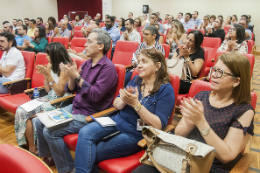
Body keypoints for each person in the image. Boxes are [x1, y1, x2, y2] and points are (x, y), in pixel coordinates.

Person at [133, 52, 254, 173]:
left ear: (236, 81)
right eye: (214, 70)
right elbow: (178, 134)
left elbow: (226, 156)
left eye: (221, 73)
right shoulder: (202, 97)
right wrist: (190, 123)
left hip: (209, 166)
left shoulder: (243, 110)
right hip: (184, 156)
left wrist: (201, 123)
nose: (214, 76)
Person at [75, 48, 176, 173]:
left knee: (91, 151)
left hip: (135, 133)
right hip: (115, 121)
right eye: (138, 61)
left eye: (144, 61)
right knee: (84, 132)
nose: (139, 65)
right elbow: (116, 104)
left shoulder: (165, 90)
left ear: (157, 66)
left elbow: (158, 125)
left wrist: (136, 104)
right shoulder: (137, 80)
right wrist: (124, 99)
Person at [34, 28, 118, 173]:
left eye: (89, 41)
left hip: (91, 113)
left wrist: (77, 77)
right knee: (38, 121)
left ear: (100, 46)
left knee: (50, 132)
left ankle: (68, 168)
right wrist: (72, 77)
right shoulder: (86, 63)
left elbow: (95, 95)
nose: (85, 45)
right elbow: (70, 89)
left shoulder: (108, 68)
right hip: (76, 106)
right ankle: (52, 154)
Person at [15, 42, 72, 155]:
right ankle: (28, 144)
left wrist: (49, 75)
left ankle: (34, 147)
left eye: (48, 55)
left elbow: (60, 92)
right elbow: (47, 89)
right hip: (49, 96)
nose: (46, 57)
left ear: (55, 55)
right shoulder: (52, 66)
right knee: (20, 110)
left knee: (27, 114)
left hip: (60, 101)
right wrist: (46, 74)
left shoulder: (65, 68)